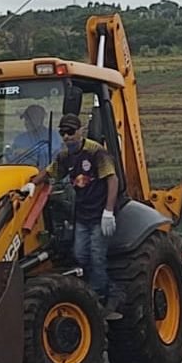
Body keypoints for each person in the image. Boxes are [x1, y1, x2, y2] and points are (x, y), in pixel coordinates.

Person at [22, 114, 122, 319]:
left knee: (96, 255)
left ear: (80, 130)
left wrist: (109, 211)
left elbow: (112, 180)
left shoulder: (96, 153)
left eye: (70, 132)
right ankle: (100, 289)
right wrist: (33, 183)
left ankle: (100, 299)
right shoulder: (64, 156)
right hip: (82, 215)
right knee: (80, 254)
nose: (67, 137)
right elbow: (50, 172)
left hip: (99, 214)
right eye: (63, 133)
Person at [8, 104, 61, 169]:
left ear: (40, 119)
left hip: (46, 173)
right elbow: (11, 158)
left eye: (29, 119)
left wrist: (26, 152)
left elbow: (53, 154)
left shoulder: (53, 136)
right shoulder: (19, 139)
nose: (26, 122)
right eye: (25, 119)